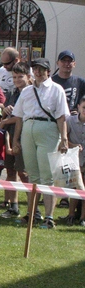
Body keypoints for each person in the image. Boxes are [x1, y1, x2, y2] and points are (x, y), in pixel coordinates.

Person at [12, 58, 69, 229]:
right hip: (29, 129)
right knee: (32, 175)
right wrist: (15, 138)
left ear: (48, 71)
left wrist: (64, 138)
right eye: (35, 69)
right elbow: (19, 117)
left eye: (41, 69)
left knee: (47, 176)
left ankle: (49, 217)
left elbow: (61, 117)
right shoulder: (27, 91)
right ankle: (32, 213)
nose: (38, 72)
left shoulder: (56, 89)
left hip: (48, 129)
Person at [0, 62, 31, 218]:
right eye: (15, 77)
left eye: (20, 76)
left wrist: (6, 121)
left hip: (25, 137)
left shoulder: (30, 93)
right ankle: (13, 206)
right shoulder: (12, 93)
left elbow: (22, 117)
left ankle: (33, 209)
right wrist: (4, 112)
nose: (17, 79)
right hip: (9, 136)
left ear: (28, 76)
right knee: (10, 171)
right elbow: (5, 115)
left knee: (23, 173)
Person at [62, 96, 85, 226]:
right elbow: (63, 139)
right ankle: (71, 215)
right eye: (84, 107)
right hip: (74, 161)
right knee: (75, 189)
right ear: (78, 107)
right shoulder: (70, 120)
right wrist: (73, 145)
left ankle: (82, 217)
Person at [52, 50, 85, 114]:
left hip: (74, 120)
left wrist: (80, 111)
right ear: (57, 63)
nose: (66, 64)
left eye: (69, 61)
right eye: (63, 61)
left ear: (74, 64)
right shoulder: (51, 81)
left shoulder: (80, 82)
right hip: (54, 119)